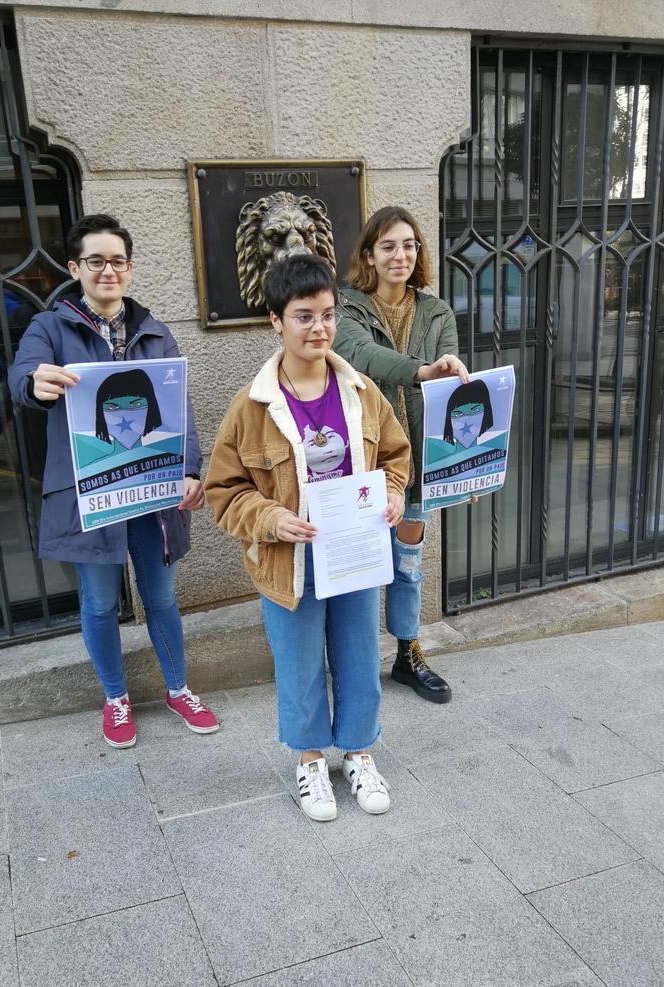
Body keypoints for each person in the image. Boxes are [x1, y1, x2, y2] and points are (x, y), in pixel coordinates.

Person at [204, 254, 409, 821]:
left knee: (360, 655)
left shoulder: (361, 391)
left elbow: (394, 454)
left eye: (326, 315)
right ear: (275, 321)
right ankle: (311, 759)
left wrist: (392, 494)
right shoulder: (252, 407)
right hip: (288, 561)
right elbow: (224, 489)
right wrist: (270, 518)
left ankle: (360, 754)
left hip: (356, 552)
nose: (319, 328)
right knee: (297, 663)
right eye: (303, 317)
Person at [8, 213, 218, 748]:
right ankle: (116, 697)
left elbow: (179, 409)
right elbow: (22, 375)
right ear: (75, 267)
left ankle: (178, 689)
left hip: (150, 489)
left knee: (163, 596)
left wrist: (190, 468)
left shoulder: (154, 330)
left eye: (118, 261)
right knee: (99, 601)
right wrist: (36, 381)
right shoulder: (51, 327)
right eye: (96, 261)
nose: (108, 270)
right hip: (90, 492)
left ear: (130, 268)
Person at [334, 206, 471, 704]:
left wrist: (463, 467)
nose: (401, 255)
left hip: (419, 467)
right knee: (366, 563)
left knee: (409, 562)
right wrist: (423, 369)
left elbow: (449, 396)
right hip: (365, 463)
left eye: (409, 244)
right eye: (388, 246)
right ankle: (356, 660)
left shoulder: (436, 313)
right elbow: (364, 360)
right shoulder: (344, 309)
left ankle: (408, 652)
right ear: (368, 254)